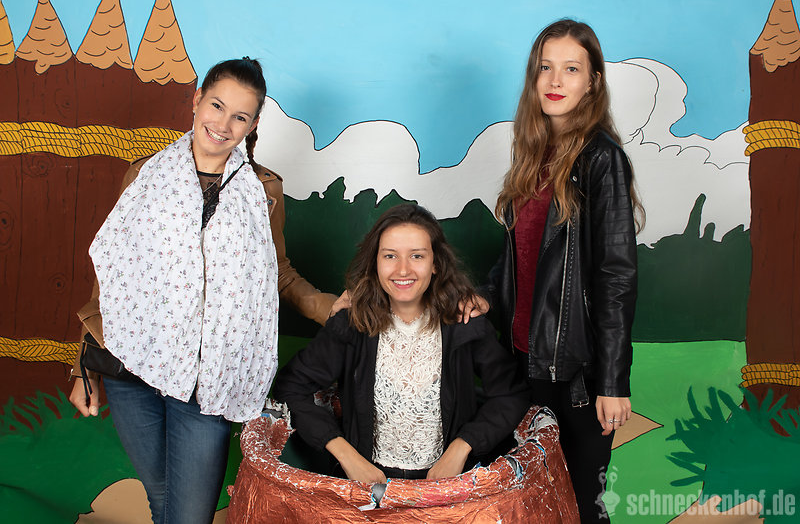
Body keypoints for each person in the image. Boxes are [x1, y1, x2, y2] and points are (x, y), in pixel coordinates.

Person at [67, 57, 325, 524]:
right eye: (217, 106)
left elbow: (277, 272)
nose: (223, 125)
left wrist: (332, 307)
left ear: (253, 124)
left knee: (188, 515)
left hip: (209, 378)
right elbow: (114, 271)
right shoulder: (145, 174)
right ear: (196, 100)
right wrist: (82, 367)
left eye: (240, 116)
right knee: (162, 498)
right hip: (134, 366)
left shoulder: (264, 190)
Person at [475, 19, 641, 522]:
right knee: (529, 504)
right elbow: (520, 259)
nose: (554, 80)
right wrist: (484, 296)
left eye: (571, 69)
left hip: (576, 372)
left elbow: (616, 276)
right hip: (523, 360)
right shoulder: (532, 154)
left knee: (583, 506)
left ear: (592, 81)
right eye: (545, 67)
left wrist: (612, 381)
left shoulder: (602, 159)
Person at [273, 204, 530, 482]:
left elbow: (510, 394)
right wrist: (347, 456)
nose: (403, 270)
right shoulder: (351, 323)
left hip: (447, 485)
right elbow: (291, 387)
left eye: (417, 256)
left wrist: (462, 447)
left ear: (435, 264)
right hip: (368, 485)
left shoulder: (465, 323)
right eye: (390, 256)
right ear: (375, 263)